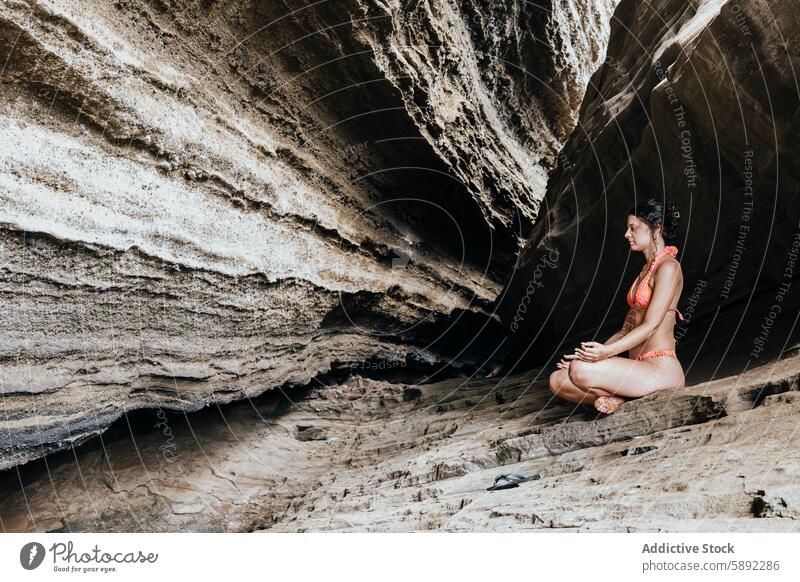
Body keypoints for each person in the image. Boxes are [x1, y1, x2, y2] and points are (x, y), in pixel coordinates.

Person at [548, 199, 686, 414]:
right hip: (637, 368)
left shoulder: (669, 267)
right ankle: (617, 395)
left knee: (579, 371)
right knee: (557, 380)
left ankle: (618, 393)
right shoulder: (644, 270)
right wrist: (591, 355)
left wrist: (605, 354)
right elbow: (626, 330)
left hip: (659, 368)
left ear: (656, 227)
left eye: (633, 228)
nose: (626, 234)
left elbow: (650, 326)